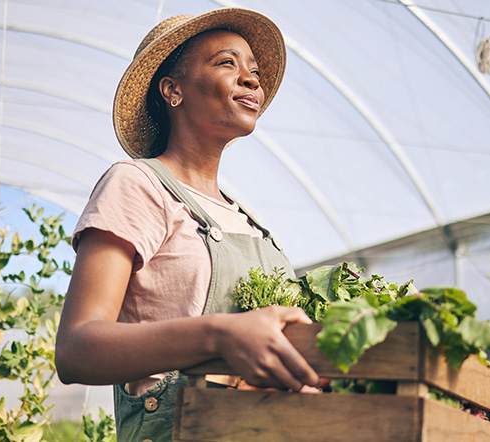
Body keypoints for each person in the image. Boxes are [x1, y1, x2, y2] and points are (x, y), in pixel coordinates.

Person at [55, 8, 319, 442]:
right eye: (227, 63)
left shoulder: (247, 220)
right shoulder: (138, 185)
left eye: (254, 70)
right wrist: (219, 335)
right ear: (172, 90)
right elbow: (76, 350)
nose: (253, 79)